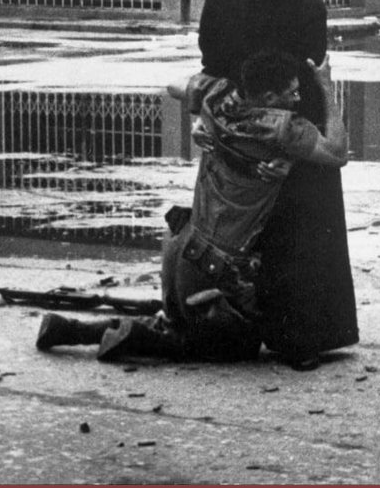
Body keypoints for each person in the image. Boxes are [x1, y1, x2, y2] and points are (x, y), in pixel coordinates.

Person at [35, 49, 347, 368]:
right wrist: (326, 86)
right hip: (217, 266)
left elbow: (173, 85)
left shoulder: (217, 91)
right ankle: (138, 338)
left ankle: (69, 330)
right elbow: (338, 152)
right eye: (291, 92)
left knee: (180, 321)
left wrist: (200, 118)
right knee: (232, 344)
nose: (297, 99)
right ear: (268, 96)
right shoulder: (282, 127)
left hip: (179, 246)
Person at [197, 0, 359, 368]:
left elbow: (308, 90)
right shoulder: (219, 5)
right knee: (232, 236)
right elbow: (213, 76)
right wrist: (207, 125)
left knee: (302, 232)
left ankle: (303, 337)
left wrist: (293, 157)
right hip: (240, 137)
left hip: (295, 134)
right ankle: (237, 326)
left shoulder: (307, 8)